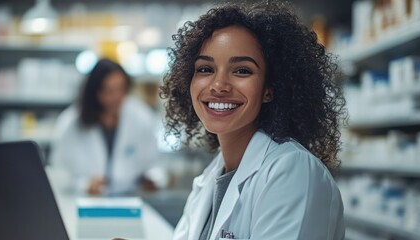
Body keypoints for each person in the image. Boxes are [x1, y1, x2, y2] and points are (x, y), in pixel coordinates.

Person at [159, 1, 346, 239]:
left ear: (270, 88)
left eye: (242, 71)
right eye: (205, 69)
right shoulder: (211, 177)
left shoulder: (293, 171)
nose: (218, 85)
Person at [50, 58, 166, 196]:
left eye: (121, 89)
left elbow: (155, 165)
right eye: (108, 91)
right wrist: (84, 185)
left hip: (130, 200)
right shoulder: (71, 122)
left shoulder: (141, 117)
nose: (116, 97)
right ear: (95, 92)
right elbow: (58, 174)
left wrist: (153, 179)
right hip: (86, 201)